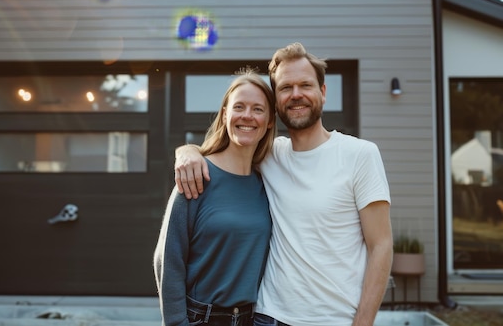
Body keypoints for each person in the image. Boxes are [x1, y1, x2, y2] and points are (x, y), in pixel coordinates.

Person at [175, 42, 393, 326]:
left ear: (323, 93)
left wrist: (363, 323)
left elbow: (382, 245)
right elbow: (225, 152)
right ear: (276, 102)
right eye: (286, 87)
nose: (296, 95)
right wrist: (187, 151)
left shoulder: (360, 155)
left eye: (305, 85)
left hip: (334, 319)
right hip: (268, 317)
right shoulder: (268, 155)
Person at [154, 68, 277, 326]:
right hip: (202, 318)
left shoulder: (268, 181)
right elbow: (168, 260)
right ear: (225, 115)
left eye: (258, 109)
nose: (247, 116)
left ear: (269, 121)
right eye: (239, 107)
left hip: (253, 318)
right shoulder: (197, 175)